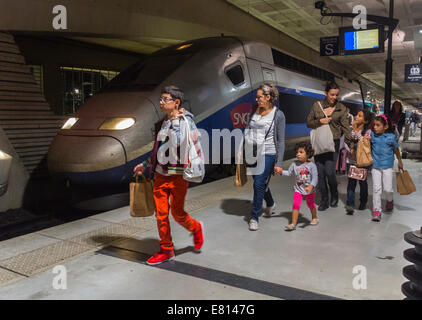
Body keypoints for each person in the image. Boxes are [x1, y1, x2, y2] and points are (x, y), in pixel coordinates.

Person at [133, 85, 204, 265]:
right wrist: (144, 164)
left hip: (179, 176)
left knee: (178, 213)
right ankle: (166, 249)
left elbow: (182, 142)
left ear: (176, 102)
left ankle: (195, 227)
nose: (161, 102)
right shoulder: (162, 123)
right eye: (161, 99)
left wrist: (176, 121)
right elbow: (159, 150)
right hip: (161, 176)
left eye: (165, 99)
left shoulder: (186, 121)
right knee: (161, 214)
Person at [242, 83, 286, 231]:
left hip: (268, 152)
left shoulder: (278, 115)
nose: (257, 99)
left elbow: (281, 141)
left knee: (258, 183)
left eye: (259, 97)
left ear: (268, 98)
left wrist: (279, 162)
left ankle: (254, 217)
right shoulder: (254, 111)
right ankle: (271, 203)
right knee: (259, 183)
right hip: (253, 152)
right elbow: (247, 130)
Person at [306, 81, 352, 211]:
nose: (334, 97)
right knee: (320, 172)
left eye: (336, 95)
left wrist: (351, 143)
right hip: (319, 142)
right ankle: (324, 199)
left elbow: (346, 128)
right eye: (332, 94)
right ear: (326, 93)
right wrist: (320, 121)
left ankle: (334, 193)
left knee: (330, 171)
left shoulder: (341, 108)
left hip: (334, 143)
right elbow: (308, 123)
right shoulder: (317, 106)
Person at [366, 114, 403, 222]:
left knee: (388, 189)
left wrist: (399, 161)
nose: (375, 127)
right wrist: (365, 139)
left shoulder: (391, 137)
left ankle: (390, 200)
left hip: (387, 167)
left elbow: (396, 150)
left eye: (378, 125)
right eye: (374, 125)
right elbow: (366, 142)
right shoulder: (372, 135)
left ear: (385, 126)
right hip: (375, 167)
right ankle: (377, 211)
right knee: (376, 189)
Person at [282, 141, 318, 231]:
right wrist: (281, 172)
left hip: (309, 190)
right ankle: (293, 224)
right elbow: (289, 173)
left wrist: (311, 186)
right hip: (298, 189)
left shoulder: (312, 166)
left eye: (301, 152)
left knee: (310, 204)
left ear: (308, 154)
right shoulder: (294, 164)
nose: (298, 154)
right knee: (296, 204)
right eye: (297, 152)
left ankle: (314, 217)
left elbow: (315, 178)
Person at [344, 109, 373, 215]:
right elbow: (346, 142)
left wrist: (356, 131)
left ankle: (363, 201)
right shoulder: (349, 130)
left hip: (362, 162)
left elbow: (364, 142)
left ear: (365, 121)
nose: (356, 117)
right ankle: (350, 204)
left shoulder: (368, 132)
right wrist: (349, 149)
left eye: (360, 116)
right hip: (351, 160)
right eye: (357, 114)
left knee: (362, 182)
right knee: (351, 183)